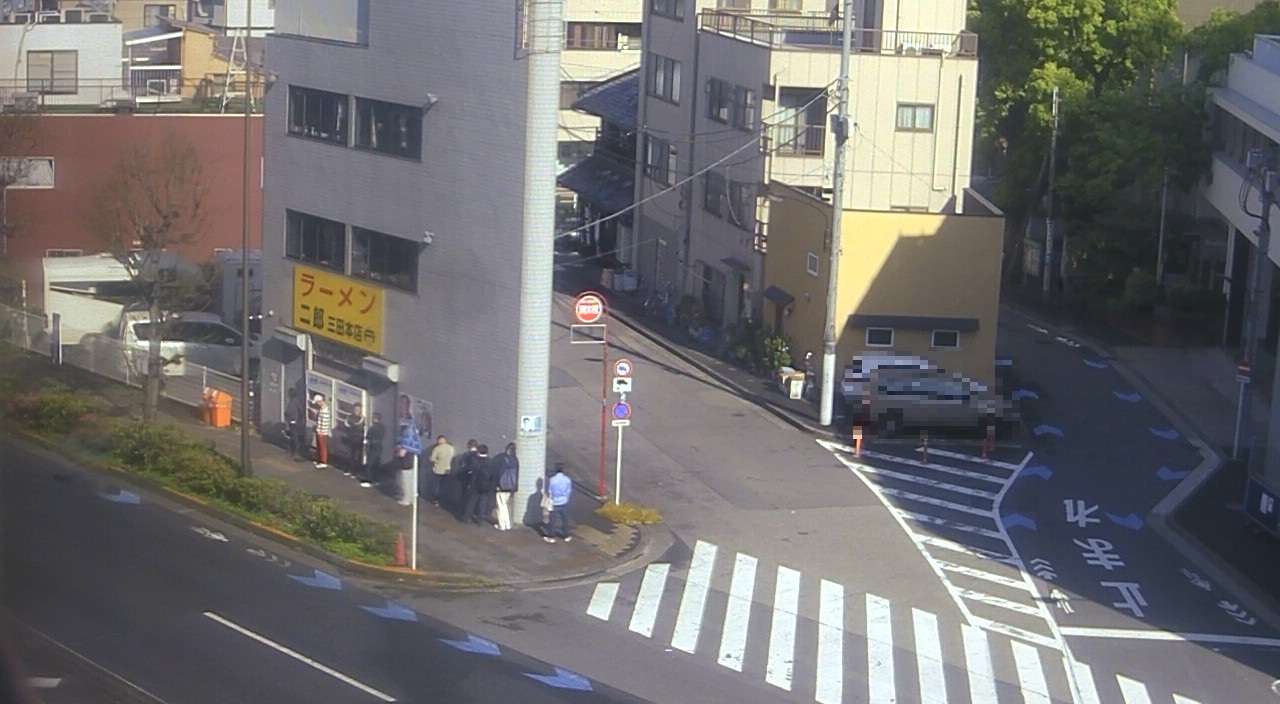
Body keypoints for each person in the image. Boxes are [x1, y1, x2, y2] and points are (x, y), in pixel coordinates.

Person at [460, 443, 490, 524]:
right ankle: (480, 520)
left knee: (471, 502)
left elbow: (470, 470)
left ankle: (466, 518)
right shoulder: (490, 461)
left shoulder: (475, 460)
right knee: (482, 503)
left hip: (475, 484)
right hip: (486, 486)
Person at [394, 419, 422, 507]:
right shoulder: (413, 440)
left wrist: (397, 449)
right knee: (410, 482)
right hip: (411, 463)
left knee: (404, 482)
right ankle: (410, 498)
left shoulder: (405, 440)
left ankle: (405, 499)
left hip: (405, 464)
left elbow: (401, 454)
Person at [492, 443, 519, 531]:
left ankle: (502, 525)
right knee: (506, 505)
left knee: (501, 505)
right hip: (511, 486)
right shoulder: (515, 460)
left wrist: (497, 485)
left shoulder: (503, 459)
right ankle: (508, 524)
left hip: (502, 486)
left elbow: (499, 473)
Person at [544, 462, 573, 543]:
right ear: (563, 470)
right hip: (564, 501)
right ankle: (566, 535)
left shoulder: (552, 480)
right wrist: (566, 498)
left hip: (555, 502)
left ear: (555, 470)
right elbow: (569, 491)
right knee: (565, 519)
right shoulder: (567, 479)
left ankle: (552, 536)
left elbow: (550, 492)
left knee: (552, 520)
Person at [426, 434, 455, 506]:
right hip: (447, 470)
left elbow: (432, 459)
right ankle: (444, 500)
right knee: (444, 486)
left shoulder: (437, 449)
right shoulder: (451, 448)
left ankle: (436, 500)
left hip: (438, 470)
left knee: (436, 486)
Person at [342, 402, 366, 477]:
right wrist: (353, 426)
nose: (356, 411)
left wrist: (353, 426)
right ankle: (350, 470)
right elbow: (346, 426)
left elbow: (359, 427)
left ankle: (356, 472)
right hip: (351, 439)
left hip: (359, 441)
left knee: (358, 457)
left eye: (358, 409)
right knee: (350, 456)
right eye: (355, 409)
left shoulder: (362, 418)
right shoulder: (349, 417)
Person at [361, 411, 385, 488]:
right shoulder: (381, 427)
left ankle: (370, 480)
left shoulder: (376, 428)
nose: (372, 419)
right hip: (377, 448)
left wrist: (370, 440)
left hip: (374, 448)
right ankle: (376, 480)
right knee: (376, 464)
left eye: (374, 418)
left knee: (371, 464)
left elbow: (370, 436)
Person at [284, 388, 306, 461]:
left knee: (294, 437)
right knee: (292, 436)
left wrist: (298, 419)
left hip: (294, 422)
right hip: (292, 421)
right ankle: (292, 450)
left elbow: (300, 411)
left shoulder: (295, 401)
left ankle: (296, 451)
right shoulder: (293, 401)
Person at [313, 395, 332, 468]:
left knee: (322, 447)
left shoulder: (324, 410)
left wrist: (321, 432)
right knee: (319, 446)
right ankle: (319, 459)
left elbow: (324, 422)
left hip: (322, 433)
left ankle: (323, 462)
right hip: (320, 431)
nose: (317, 404)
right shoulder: (321, 409)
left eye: (317, 402)